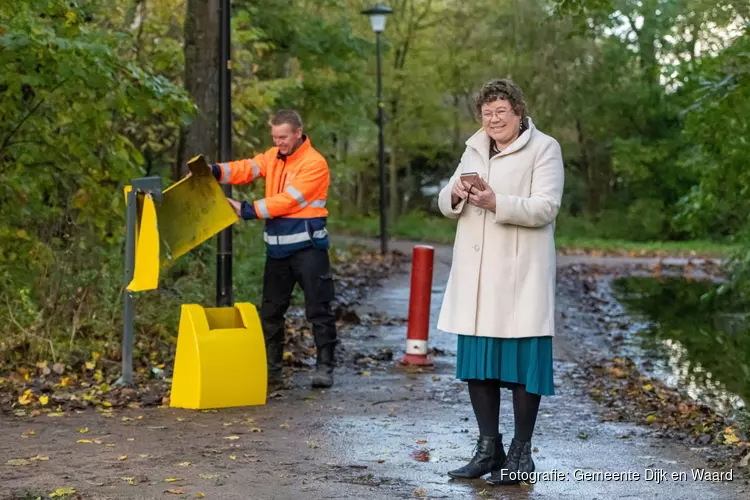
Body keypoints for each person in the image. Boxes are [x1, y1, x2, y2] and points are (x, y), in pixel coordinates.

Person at [437, 79, 564, 485]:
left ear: (519, 112)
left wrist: (498, 203)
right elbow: (445, 203)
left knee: (524, 366)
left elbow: (547, 207)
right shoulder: (474, 147)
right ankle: (488, 449)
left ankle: (521, 455)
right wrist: (456, 192)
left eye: (501, 113)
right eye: (487, 113)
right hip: (477, 277)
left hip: (520, 274)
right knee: (480, 365)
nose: (493, 120)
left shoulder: (545, 148)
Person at [209, 109, 337, 391]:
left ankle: (325, 367)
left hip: (308, 248)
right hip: (278, 250)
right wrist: (216, 171)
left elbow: (288, 201)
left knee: (318, 308)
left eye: (283, 137)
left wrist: (247, 210)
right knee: (270, 312)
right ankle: (272, 371)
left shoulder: (314, 164)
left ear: (298, 133)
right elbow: (247, 168)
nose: (279, 143)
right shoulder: (273, 157)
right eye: (275, 137)